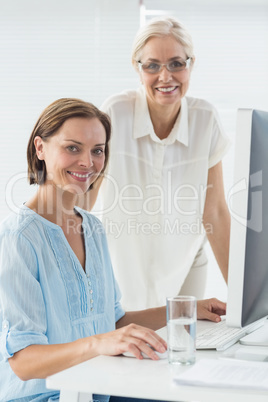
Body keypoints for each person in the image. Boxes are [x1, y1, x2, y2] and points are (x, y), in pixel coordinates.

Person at [0, 98, 226, 402]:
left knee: (197, 391)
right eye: (72, 148)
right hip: (45, 396)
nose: (87, 162)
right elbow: (24, 363)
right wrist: (100, 343)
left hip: (98, 388)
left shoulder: (91, 227)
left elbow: (112, 321)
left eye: (97, 150)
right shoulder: (19, 237)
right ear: (40, 148)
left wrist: (185, 310)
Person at [88, 16, 231, 310]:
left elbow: (214, 212)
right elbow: (84, 199)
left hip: (186, 263)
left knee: (185, 346)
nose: (165, 77)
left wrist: (245, 300)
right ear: (137, 68)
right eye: (152, 65)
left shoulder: (206, 119)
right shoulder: (116, 113)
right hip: (123, 264)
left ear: (191, 64)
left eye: (176, 63)